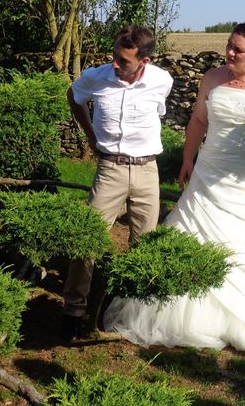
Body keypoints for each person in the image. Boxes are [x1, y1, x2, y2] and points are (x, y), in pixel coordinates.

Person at [103, 22, 245, 361]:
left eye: (238, 50)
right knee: (191, 232)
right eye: (229, 45)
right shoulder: (212, 77)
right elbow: (199, 121)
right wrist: (188, 158)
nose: (230, 53)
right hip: (209, 171)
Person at [61, 24, 173, 342]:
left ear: (144, 61)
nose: (115, 64)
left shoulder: (161, 81)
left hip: (147, 171)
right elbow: (74, 97)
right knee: (87, 238)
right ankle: (73, 310)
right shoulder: (97, 77)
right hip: (109, 169)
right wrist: (90, 136)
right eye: (114, 57)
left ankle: (132, 312)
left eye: (123, 60)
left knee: (145, 244)